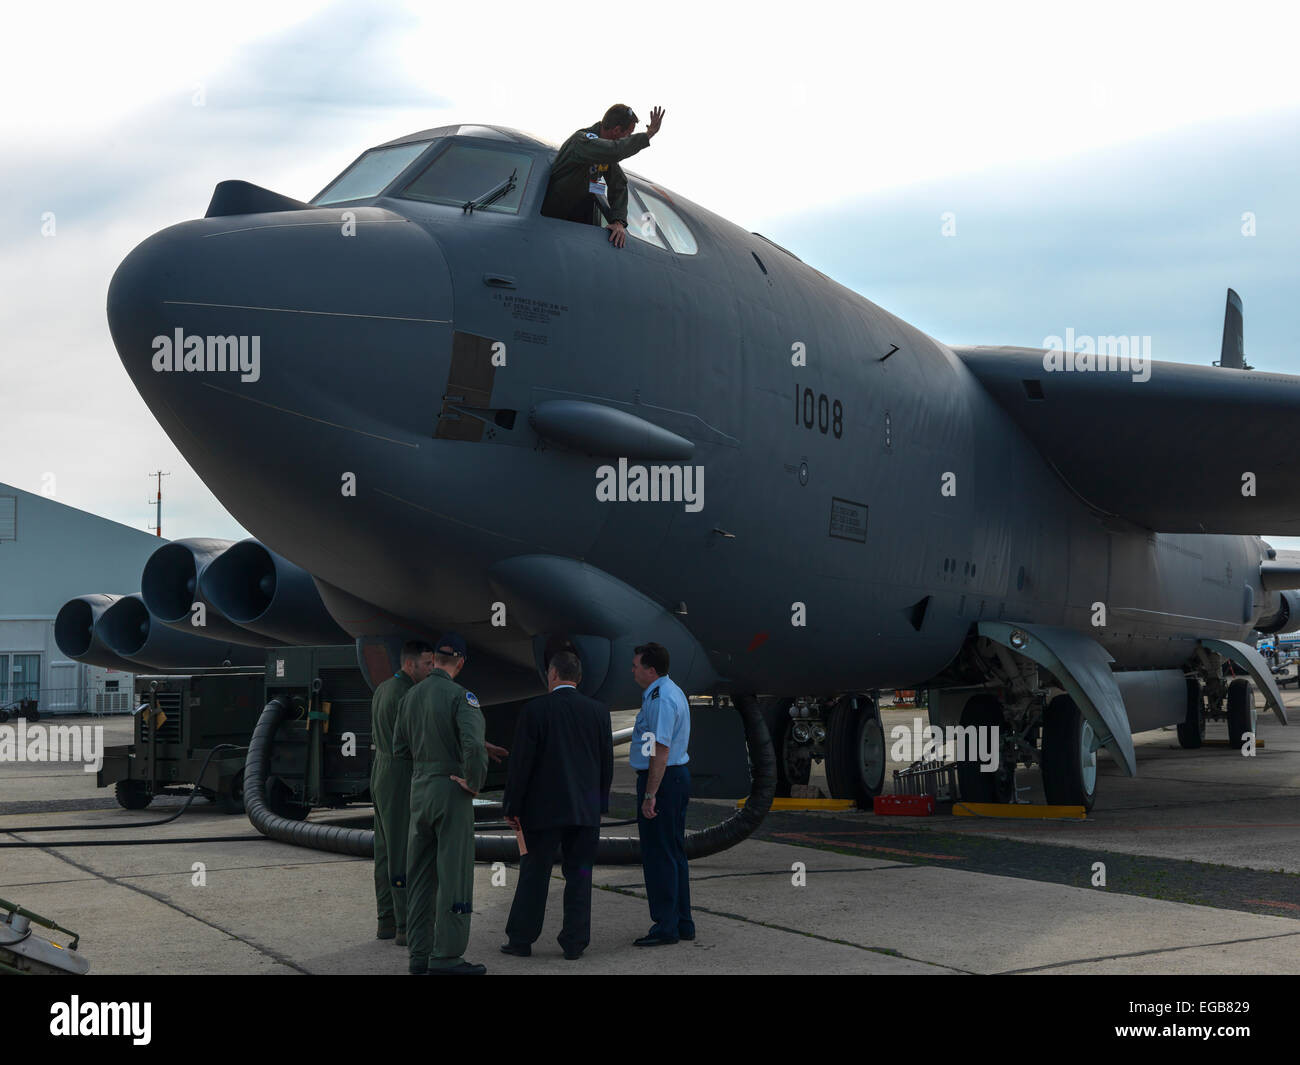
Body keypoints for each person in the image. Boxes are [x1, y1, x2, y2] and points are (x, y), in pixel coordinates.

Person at [500, 651, 613, 960]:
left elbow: (521, 765)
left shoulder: (535, 710)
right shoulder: (599, 712)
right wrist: (599, 805)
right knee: (580, 875)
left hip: (542, 810)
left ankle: (521, 939)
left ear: (552, 675)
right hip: (584, 811)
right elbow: (606, 764)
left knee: (535, 874)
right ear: (578, 678)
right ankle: (575, 943)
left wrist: (512, 805)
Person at [393, 633, 493, 975]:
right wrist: (474, 781)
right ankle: (447, 957)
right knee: (454, 875)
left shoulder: (411, 696)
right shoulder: (461, 697)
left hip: (419, 792)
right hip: (451, 791)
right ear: (460, 663)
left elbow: (399, 748)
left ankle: (418, 956)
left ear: (433, 659)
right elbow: (474, 747)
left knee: (419, 878)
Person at [628, 641, 694, 946]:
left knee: (659, 855)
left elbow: (660, 749)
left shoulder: (659, 699)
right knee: (674, 852)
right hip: (673, 778)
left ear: (650, 670)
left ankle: (665, 926)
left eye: (636, 665)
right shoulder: (668, 691)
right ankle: (682, 922)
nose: (633, 670)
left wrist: (650, 794)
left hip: (663, 780)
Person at [370, 639, 434, 945]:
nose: (431, 669)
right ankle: (406, 925)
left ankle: (386, 920)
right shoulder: (409, 694)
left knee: (384, 851)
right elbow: (418, 740)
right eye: (427, 664)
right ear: (410, 664)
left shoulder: (382, 688)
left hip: (380, 770)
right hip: (399, 773)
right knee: (401, 853)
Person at [541, 103, 666, 248]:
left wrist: (618, 222)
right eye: (628, 134)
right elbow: (614, 150)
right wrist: (647, 135)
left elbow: (618, 184)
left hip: (574, 225)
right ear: (617, 130)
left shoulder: (604, 155)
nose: (628, 138)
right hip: (550, 222)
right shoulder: (582, 142)